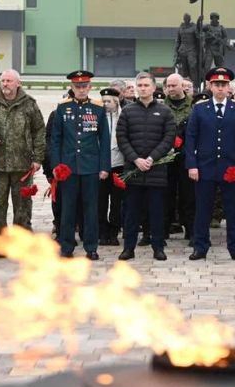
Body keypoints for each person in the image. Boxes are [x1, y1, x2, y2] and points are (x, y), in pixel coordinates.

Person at [0, 69, 45, 258]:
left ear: (17, 83)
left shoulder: (29, 104)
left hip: (22, 164)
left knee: (22, 205)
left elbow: (39, 131)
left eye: (9, 81)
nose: (5, 84)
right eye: (3, 80)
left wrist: (38, 159)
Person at [184, 66, 235, 262]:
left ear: (228, 87)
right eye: (217, 84)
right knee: (203, 210)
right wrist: (192, 165)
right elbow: (191, 138)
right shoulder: (199, 109)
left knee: (233, 210)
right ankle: (200, 247)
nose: (220, 88)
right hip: (205, 167)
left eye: (223, 84)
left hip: (231, 168)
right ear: (210, 86)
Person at [50, 70, 111, 259]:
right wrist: (56, 165)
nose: (81, 89)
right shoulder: (62, 108)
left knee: (91, 209)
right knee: (68, 208)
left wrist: (104, 167)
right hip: (68, 168)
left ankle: (91, 247)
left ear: (90, 87)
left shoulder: (98, 109)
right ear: (72, 88)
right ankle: (66, 247)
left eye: (84, 86)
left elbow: (104, 140)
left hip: (90, 166)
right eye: (78, 86)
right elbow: (56, 140)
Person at [117, 73, 177, 261]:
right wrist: (135, 159)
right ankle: (129, 248)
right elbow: (122, 138)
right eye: (139, 85)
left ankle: (158, 247)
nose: (142, 88)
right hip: (133, 171)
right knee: (131, 213)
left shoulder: (165, 111)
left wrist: (152, 158)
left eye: (146, 85)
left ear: (154, 88)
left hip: (156, 171)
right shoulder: (127, 111)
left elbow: (168, 138)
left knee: (157, 212)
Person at [163, 72, 195, 241]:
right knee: (166, 195)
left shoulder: (194, 106)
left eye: (174, 85)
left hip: (187, 156)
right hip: (165, 157)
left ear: (183, 86)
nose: (170, 89)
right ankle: (164, 229)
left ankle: (190, 229)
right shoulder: (161, 105)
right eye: (168, 86)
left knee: (188, 195)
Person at [98, 87, 125, 246]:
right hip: (101, 164)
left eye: (109, 101)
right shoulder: (98, 117)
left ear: (116, 102)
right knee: (101, 201)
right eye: (104, 102)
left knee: (117, 201)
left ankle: (114, 231)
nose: (106, 104)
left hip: (119, 164)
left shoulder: (123, 116)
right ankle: (102, 231)